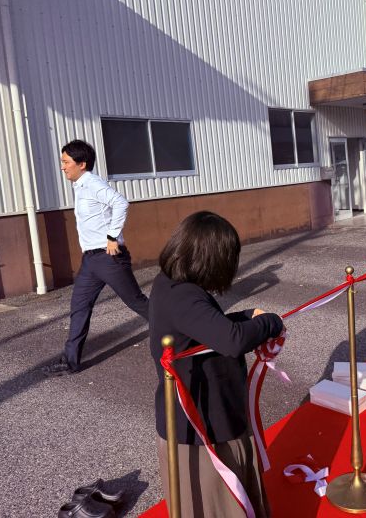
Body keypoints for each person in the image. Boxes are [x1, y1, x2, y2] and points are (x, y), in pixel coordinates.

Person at [149, 211, 283, 518]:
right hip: (201, 424)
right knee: (220, 504)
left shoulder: (170, 285)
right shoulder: (185, 297)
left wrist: (248, 315)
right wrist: (271, 322)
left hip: (201, 414)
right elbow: (231, 339)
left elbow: (207, 328)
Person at [42, 140, 149, 376]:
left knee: (136, 302)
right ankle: (70, 361)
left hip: (108, 257)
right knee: (79, 306)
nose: (62, 167)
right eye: (63, 162)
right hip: (91, 260)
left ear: (82, 164)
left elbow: (120, 203)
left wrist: (112, 237)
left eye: (66, 162)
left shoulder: (92, 183)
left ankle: (180, 330)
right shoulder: (80, 186)